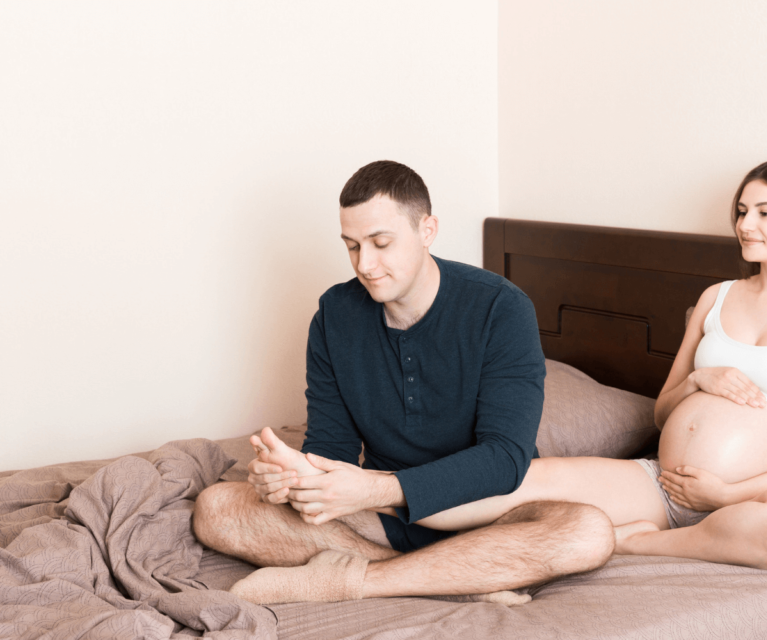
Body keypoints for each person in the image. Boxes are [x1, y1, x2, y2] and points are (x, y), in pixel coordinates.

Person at [403, 158, 767, 572]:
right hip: (661, 486)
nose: (747, 224)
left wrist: (724, 495)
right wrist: (698, 381)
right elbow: (662, 412)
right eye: (742, 212)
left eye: (766, 213)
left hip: (749, 503)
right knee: (511, 480)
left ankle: (643, 544)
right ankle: (371, 492)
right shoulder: (717, 297)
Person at [192, 160, 615, 605]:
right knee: (216, 509)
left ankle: (358, 578)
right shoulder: (334, 317)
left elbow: (504, 460)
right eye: (352, 246)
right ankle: (456, 581)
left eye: (380, 243)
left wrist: (374, 487)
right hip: (384, 518)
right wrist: (293, 479)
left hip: (489, 513)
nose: (365, 264)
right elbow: (331, 452)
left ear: (427, 229)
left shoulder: (501, 309)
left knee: (589, 534)